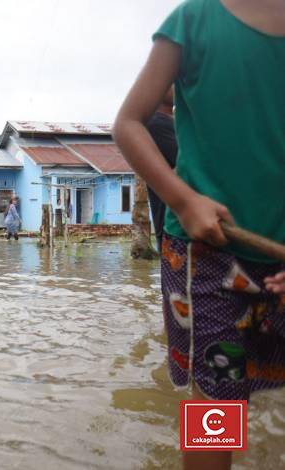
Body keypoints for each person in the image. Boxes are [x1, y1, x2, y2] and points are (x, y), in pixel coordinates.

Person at [113, 1, 285, 468]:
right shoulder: (194, 21)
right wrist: (185, 201)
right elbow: (128, 122)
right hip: (206, 252)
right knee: (216, 404)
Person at [146, 87, 178, 252]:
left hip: (179, 225)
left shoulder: (175, 123)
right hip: (176, 227)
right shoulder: (156, 123)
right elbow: (190, 164)